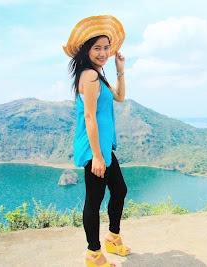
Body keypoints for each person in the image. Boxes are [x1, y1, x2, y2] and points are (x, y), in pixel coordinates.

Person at [63, 15, 131, 267]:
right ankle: (93, 253)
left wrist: (120, 71)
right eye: (97, 48)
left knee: (120, 190)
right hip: (94, 149)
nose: (103, 52)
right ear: (86, 50)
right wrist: (98, 157)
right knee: (94, 199)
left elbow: (120, 98)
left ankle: (113, 238)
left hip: (101, 147)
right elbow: (89, 117)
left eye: (106, 48)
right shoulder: (89, 77)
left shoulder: (98, 75)